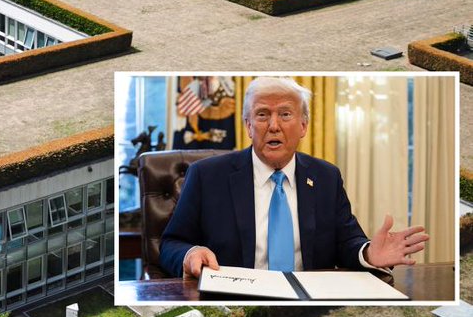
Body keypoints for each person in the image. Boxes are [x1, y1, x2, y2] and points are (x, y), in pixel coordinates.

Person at [158, 77, 428, 278]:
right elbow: (171, 244)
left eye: (285, 114)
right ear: (249, 126)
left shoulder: (326, 176)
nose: (274, 125)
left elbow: (347, 242)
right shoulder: (207, 176)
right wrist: (190, 254)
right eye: (262, 115)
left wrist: (369, 254)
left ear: (303, 126)